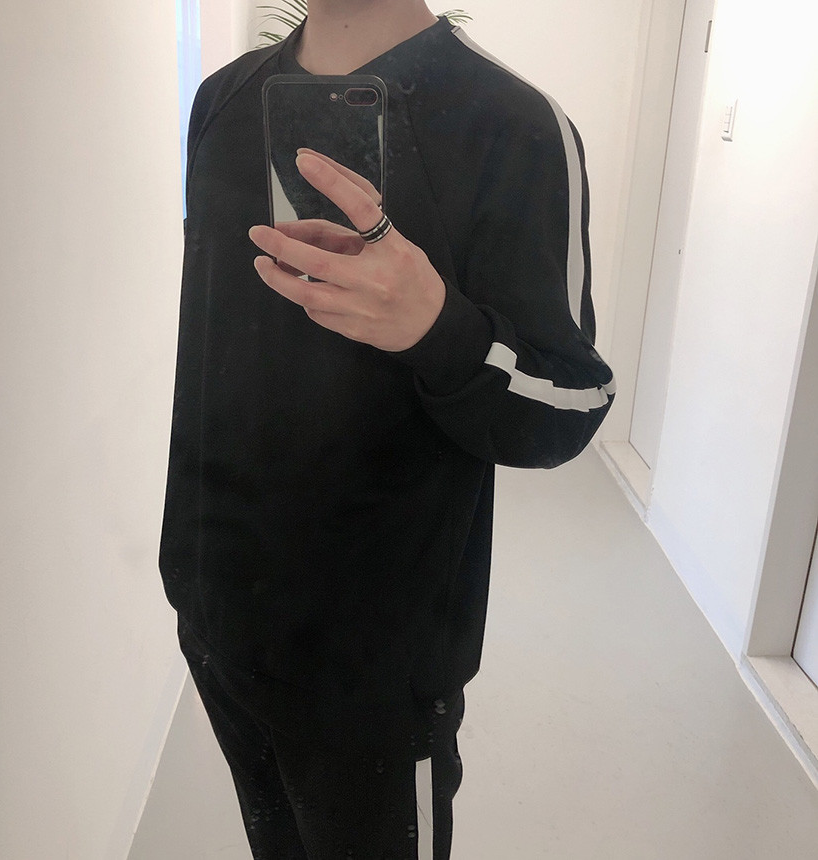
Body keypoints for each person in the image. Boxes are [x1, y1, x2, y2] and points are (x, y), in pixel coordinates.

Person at [158, 1, 616, 856]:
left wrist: (439, 327)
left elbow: (569, 405)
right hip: (217, 619)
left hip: (376, 673)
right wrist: (186, 579)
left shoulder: (513, 125)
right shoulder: (221, 99)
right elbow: (209, 343)